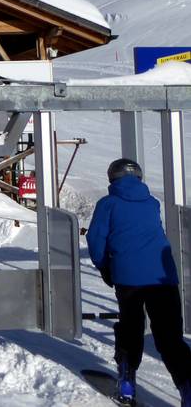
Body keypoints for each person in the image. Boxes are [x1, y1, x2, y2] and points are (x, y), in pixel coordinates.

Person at [87, 158, 191, 406]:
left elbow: (95, 240)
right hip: (162, 277)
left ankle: (126, 384)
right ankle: (189, 390)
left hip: (128, 277)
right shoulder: (152, 203)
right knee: (170, 336)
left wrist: (105, 267)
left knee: (131, 329)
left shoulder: (108, 204)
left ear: (112, 178)